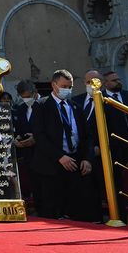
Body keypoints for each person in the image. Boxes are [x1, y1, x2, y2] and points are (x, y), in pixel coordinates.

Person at [31, 69, 98, 221]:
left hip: (74, 164)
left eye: (70, 86)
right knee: (52, 210)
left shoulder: (75, 107)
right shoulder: (41, 106)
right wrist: (60, 156)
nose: (67, 90)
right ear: (54, 85)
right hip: (51, 166)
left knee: (76, 209)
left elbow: (86, 136)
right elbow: (40, 137)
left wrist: (87, 158)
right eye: (64, 86)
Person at [11, 80, 39, 210]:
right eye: (23, 97)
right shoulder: (20, 109)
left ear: (35, 93)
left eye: (28, 96)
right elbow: (19, 128)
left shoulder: (43, 105)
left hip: (42, 151)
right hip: (27, 152)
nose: (26, 99)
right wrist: (17, 138)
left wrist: (36, 138)